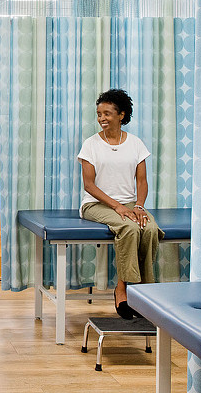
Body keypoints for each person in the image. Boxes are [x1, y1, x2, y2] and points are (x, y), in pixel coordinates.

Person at [77, 88, 163, 320]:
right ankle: (122, 288)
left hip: (130, 203)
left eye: (107, 113)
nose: (101, 118)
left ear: (121, 115)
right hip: (96, 204)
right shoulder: (91, 144)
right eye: (99, 114)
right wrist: (118, 206)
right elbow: (89, 185)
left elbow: (142, 181)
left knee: (150, 228)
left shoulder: (135, 144)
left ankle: (143, 290)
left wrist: (139, 206)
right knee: (129, 227)